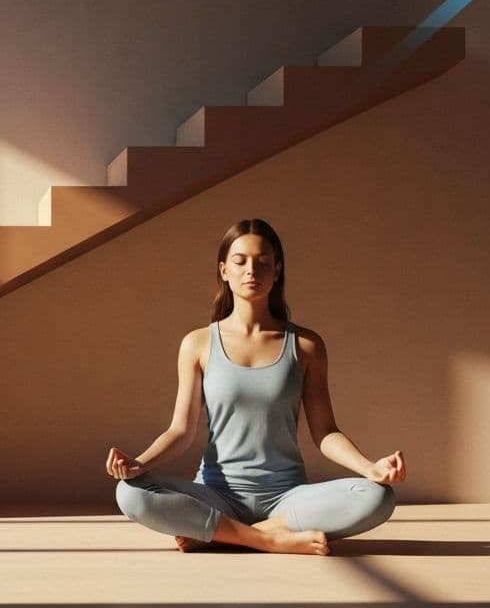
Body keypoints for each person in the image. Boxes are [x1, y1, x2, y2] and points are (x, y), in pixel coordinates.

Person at [107, 218, 405, 556]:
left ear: (276, 271)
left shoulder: (306, 345)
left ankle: (222, 534)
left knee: (377, 496)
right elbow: (181, 431)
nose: (252, 270)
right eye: (240, 261)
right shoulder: (198, 343)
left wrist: (370, 467)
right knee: (129, 492)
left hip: (286, 500)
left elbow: (325, 432)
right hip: (216, 496)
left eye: (263, 262)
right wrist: (139, 464)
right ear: (224, 270)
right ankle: (269, 539)